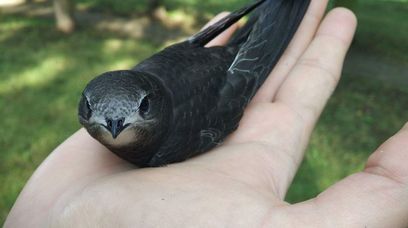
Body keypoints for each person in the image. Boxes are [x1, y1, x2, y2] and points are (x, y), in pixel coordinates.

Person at [5, 1, 408, 227]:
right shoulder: (139, 87)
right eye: (96, 114)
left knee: (276, 27)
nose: (113, 126)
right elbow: (181, 59)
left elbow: (227, 74)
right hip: (205, 62)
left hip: (222, 73)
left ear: (150, 101)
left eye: (136, 111)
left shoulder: (165, 144)